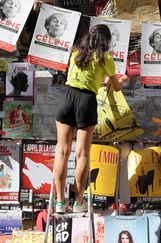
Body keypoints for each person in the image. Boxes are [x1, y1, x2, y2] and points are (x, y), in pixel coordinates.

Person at [53, 24, 128, 213]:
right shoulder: (106, 60)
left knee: (62, 152)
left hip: (68, 98)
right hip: (87, 102)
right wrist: (123, 80)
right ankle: (78, 202)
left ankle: (61, 202)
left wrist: (100, 83)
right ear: (107, 41)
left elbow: (81, 78)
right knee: (82, 154)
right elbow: (116, 86)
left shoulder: (76, 53)